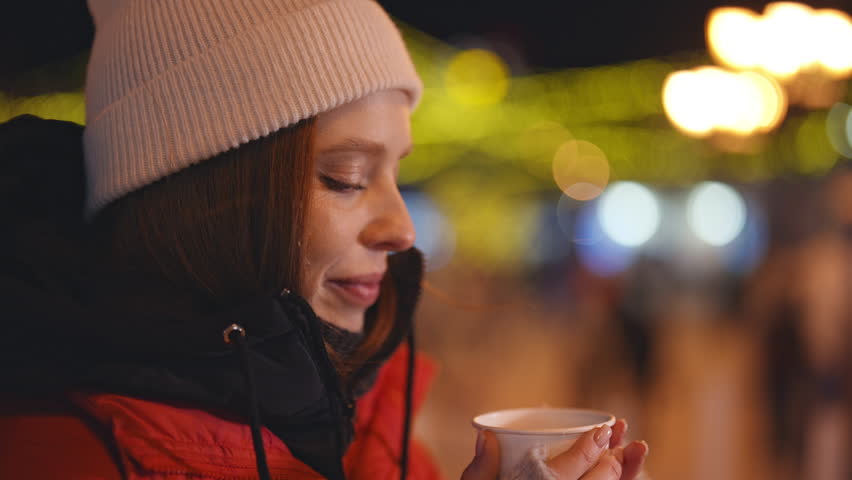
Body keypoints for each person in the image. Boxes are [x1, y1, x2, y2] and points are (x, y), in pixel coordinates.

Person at [0, 0, 648, 478]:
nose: (402, 230)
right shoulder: (57, 453)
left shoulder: (364, 417)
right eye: (346, 178)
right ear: (206, 201)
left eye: (396, 173)